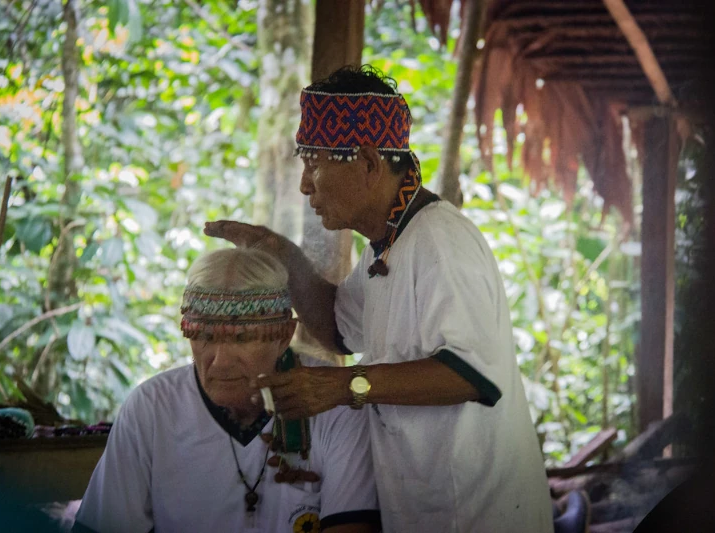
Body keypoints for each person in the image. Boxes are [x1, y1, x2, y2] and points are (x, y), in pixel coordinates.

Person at [205, 65, 554, 533]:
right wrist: (279, 252)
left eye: (314, 162)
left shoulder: (439, 241)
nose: (305, 184)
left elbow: (471, 375)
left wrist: (341, 387)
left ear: (368, 163)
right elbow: (336, 328)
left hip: (477, 515)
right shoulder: (388, 245)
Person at [73, 248, 381, 533]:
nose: (220, 361)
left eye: (242, 339)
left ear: (284, 336)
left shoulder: (334, 405)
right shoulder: (153, 407)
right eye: (204, 336)